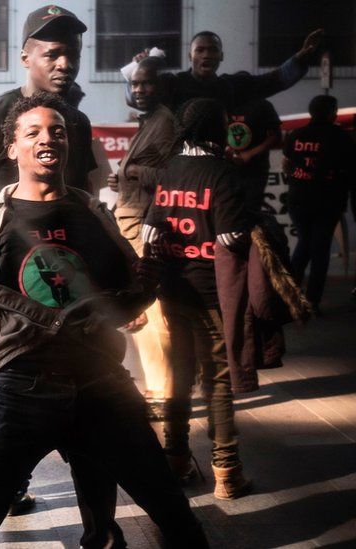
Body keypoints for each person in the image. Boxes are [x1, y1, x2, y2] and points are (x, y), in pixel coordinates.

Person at [0, 92, 208, 548]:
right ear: (12, 149)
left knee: (174, 515)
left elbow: (125, 303)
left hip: (101, 383)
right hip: (19, 386)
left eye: (58, 132)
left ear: (69, 145)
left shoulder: (93, 215)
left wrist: (148, 281)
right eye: (34, 132)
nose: (49, 139)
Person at [0, 4, 103, 523]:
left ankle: (24, 482)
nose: (64, 64)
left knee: (53, 371)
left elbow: (86, 194)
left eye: (71, 54)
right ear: (25, 56)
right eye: (52, 53)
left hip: (54, 274)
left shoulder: (74, 120)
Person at [142, 97, 253, 499]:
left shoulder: (170, 170)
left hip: (173, 290)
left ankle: (174, 458)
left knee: (179, 374)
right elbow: (230, 237)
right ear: (215, 128)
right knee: (218, 381)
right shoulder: (223, 173)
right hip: (210, 293)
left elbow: (151, 229)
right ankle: (227, 471)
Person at [106, 56, 175, 417]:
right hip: (132, 226)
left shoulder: (165, 122)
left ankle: (163, 391)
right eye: (134, 84)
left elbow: (171, 177)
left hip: (146, 227)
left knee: (152, 313)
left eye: (146, 83)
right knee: (143, 313)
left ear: (160, 85)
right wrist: (123, 177)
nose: (139, 89)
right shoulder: (150, 121)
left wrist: (132, 170)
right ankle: (159, 388)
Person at [130, 29, 323, 113]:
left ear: (221, 56)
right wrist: (141, 70)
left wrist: (301, 57)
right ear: (190, 56)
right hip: (179, 170)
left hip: (220, 171)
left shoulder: (234, 86)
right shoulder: (172, 84)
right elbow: (136, 100)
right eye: (200, 50)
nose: (206, 55)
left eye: (213, 50)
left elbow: (275, 80)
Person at [283, 95, 356, 313]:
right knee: (320, 249)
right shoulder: (341, 138)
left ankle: (289, 295)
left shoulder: (296, 135)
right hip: (327, 201)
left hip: (298, 199)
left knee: (304, 244)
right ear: (333, 113)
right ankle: (312, 300)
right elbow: (351, 172)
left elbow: (286, 165)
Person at [227, 98, 280, 212]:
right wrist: (225, 150)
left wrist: (250, 154)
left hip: (255, 169)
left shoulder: (262, 105)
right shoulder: (222, 102)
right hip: (226, 168)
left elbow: (275, 136)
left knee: (251, 209)